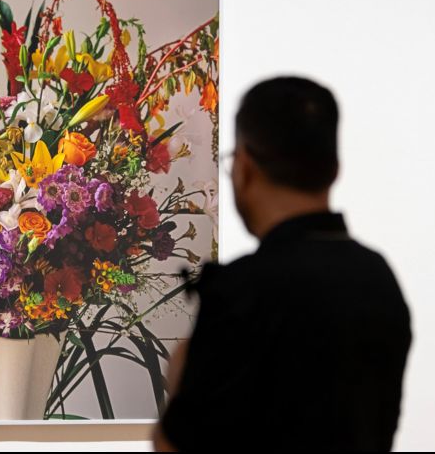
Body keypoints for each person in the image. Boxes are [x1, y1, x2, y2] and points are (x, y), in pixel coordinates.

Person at [154, 76, 412, 452]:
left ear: (243, 168)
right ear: (334, 168)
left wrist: (180, 373)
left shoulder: (245, 289)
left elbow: (178, 446)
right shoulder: (378, 277)